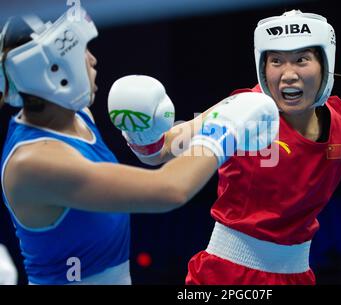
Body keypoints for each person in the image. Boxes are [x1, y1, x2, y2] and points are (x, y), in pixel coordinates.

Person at [131, 9, 341, 284]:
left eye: (301, 60)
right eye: (276, 61)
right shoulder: (243, 109)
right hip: (226, 273)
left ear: (324, 64)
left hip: (299, 274)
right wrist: (142, 130)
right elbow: (162, 150)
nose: (288, 74)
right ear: (262, 67)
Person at [0, 7, 279, 285]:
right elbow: (170, 190)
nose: (93, 60)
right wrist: (226, 129)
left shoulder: (74, 117)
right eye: (81, 52)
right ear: (55, 70)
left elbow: (168, 153)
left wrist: (232, 106)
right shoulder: (34, 163)